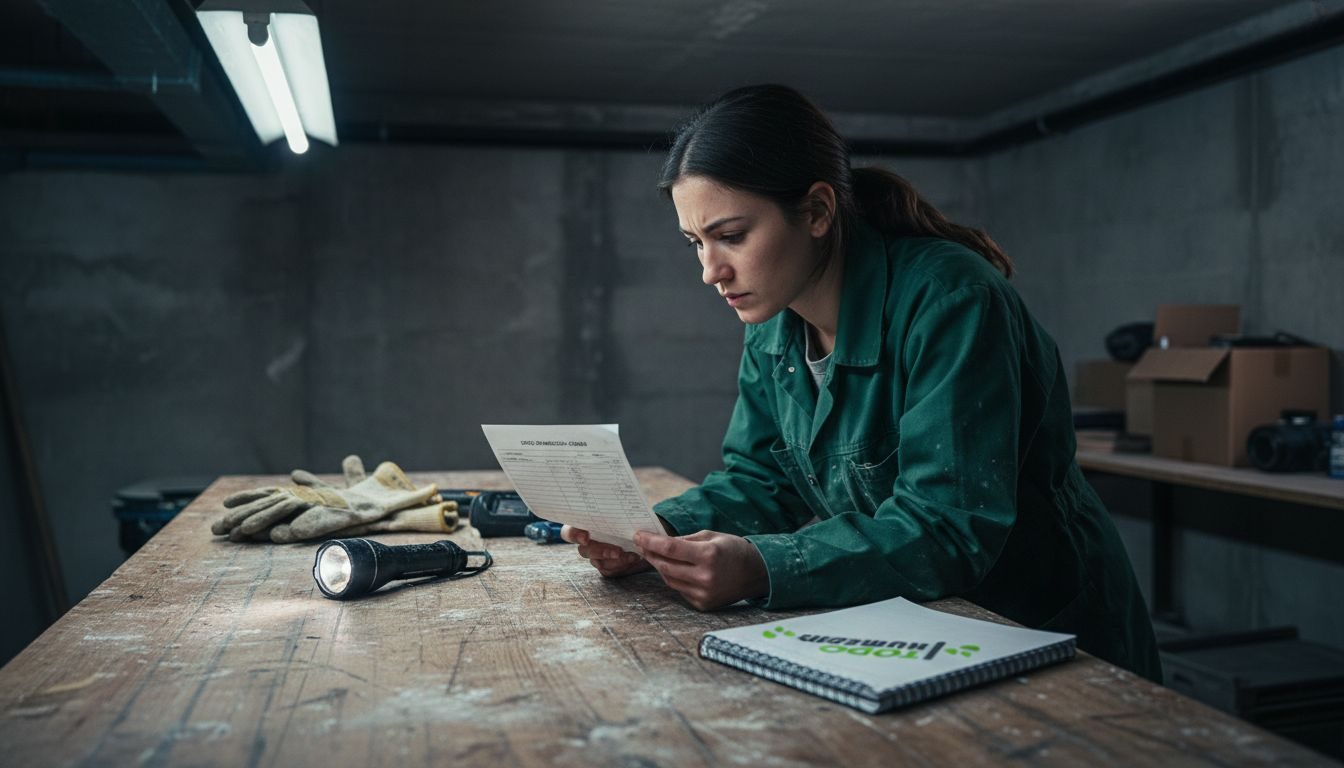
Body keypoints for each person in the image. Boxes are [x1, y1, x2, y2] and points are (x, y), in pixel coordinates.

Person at [561, 84, 1162, 682]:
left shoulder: (952, 300)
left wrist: (766, 567)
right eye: (696, 242)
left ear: (818, 211)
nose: (710, 272)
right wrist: (653, 533)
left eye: (732, 236)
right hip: (915, 626)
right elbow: (761, 478)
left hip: (1038, 626)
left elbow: (949, 525)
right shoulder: (772, 318)